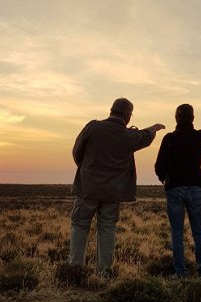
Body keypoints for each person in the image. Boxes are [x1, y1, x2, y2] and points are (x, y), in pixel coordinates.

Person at [69, 98, 165, 275]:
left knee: (80, 225)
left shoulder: (93, 127)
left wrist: (86, 169)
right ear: (128, 116)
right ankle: (104, 271)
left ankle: (74, 270)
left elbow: (77, 152)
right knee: (107, 228)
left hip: (87, 188)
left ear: (111, 111)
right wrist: (154, 128)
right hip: (112, 192)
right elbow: (145, 137)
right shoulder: (128, 136)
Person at [154, 104, 201, 278]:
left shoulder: (169, 139)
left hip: (174, 189)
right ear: (192, 118)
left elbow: (158, 166)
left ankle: (180, 273)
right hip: (195, 189)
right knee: (198, 232)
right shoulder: (199, 137)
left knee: (176, 233)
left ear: (176, 118)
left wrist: (164, 180)